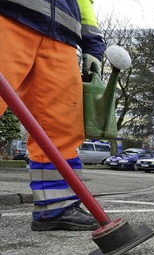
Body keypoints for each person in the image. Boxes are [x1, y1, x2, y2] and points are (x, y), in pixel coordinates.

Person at [0, 0, 105, 231]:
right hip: (8, 16)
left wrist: (93, 44)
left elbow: (84, 4)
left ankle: (56, 205)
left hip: (62, 35)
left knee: (61, 127)